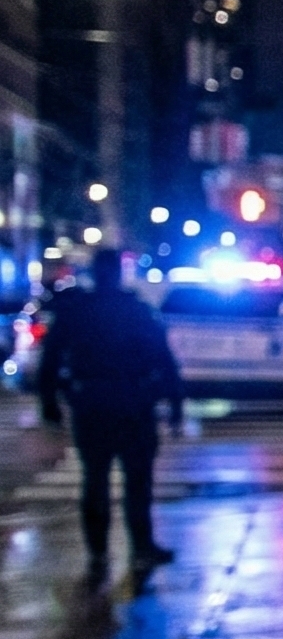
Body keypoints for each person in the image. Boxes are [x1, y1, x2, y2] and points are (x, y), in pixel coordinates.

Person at [34, 248, 182, 582]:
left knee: (96, 478)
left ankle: (99, 552)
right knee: (136, 480)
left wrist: (50, 403)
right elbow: (163, 358)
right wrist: (174, 403)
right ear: (118, 273)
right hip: (132, 404)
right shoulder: (135, 310)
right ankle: (140, 546)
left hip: (93, 404)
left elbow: (51, 360)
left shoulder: (77, 313)